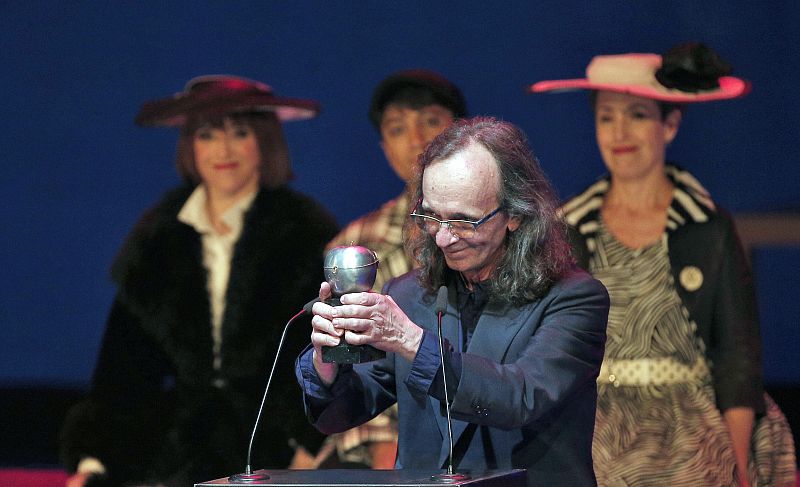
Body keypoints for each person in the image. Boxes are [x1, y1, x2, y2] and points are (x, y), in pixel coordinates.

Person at [530, 42, 796, 486]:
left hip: (692, 428)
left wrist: (739, 461)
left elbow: (737, 354)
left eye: (637, 115)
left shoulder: (707, 225)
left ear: (669, 124)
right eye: (606, 117)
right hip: (597, 429)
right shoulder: (568, 227)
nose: (620, 133)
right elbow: (549, 350)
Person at [296, 117, 610, 486]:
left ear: (514, 215)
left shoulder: (574, 298)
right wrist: (328, 364)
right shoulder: (409, 294)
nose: (443, 239)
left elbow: (520, 397)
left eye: (464, 222)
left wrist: (411, 342)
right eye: (431, 216)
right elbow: (339, 415)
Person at [59, 76, 339, 487]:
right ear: (191, 147)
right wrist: (93, 460)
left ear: (264, 144)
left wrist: (309, 445)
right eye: (207, 135)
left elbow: (329, 356)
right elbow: (123, 372)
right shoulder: (157, 239)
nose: (223, 151)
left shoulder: (307, 234)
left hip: (280, 452)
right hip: (174, 453)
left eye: (239, 134)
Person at [320, 69, 467, 469]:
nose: (417, 139)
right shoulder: (356, 244)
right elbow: (349, 361)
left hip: (487, 429)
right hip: (393, 457)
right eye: (398, 128)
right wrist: (391, 457)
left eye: (431, 122)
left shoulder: (496, 230)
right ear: (384, 145)